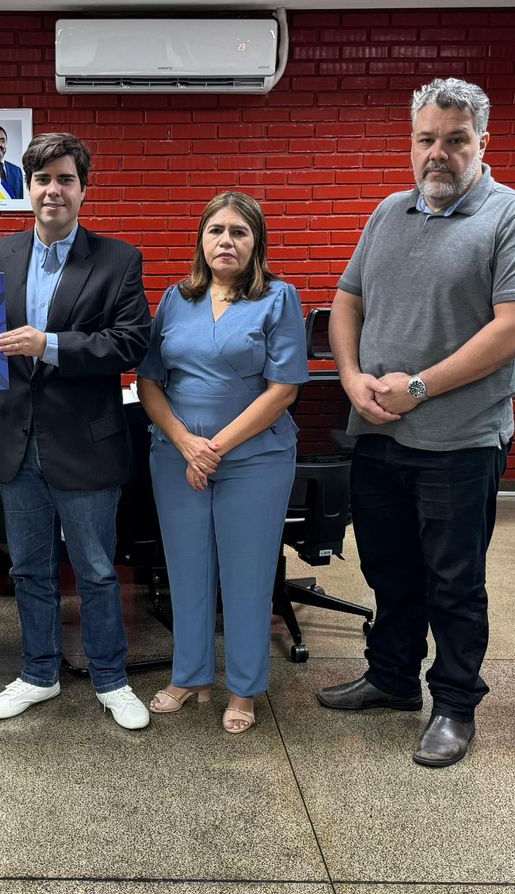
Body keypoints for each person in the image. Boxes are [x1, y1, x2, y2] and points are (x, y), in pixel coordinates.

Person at [316, 78, 515, 767]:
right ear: (412, 143)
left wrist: (418, 387)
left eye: (455, 140)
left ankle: (454, 704)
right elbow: (347, 302)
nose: (438, 154)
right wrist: (351, 376)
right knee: (388, 569)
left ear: (482, 142)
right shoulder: (389, 213)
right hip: (378, 432)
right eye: (426, 139)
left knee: (453, 581)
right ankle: (392, 677)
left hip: (459, 441)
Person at [0, 133, 153, 730]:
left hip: (85, 443)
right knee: (28, 569)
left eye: (65, 179)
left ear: (83, 189)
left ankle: (111, 678)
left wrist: (48, 344)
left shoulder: (118, 259)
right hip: (15, 441)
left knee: (97, 571)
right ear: (27, 189)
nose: (53, 190)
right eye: (43, 179)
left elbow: (130, 343)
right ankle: (38, 673)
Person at [136, 192, 307, 735]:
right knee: (185, 568)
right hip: (176, 455)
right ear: (201, 240)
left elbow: (283, 390)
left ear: (256, 242)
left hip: (256, 458)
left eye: (238, 231)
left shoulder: (278, 298)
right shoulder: (175, 298)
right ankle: (190, 677)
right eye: (216, 231)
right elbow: (148, 382)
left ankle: (244, 688)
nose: (226, 241)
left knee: (246, 575)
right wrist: (186, 443)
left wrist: (213, 448)